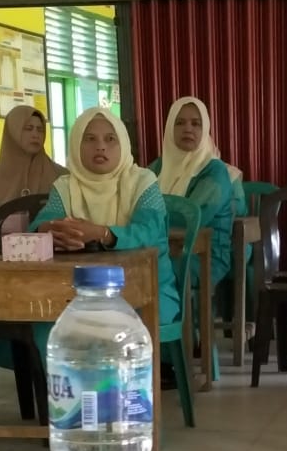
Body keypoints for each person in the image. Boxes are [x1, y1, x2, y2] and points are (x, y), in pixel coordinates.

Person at [32, 107, 181, 335]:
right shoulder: (65, 186)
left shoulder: (143, 181)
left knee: (111, 326)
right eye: (89, 139)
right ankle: (56, 372)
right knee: (44, 320)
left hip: (147, 290)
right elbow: (44, 222)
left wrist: (103, 234)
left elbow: (148, 231)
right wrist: (51, 231)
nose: (100, 146)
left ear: (123, 143)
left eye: (110, 139)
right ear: (75, 145)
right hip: (77, 291)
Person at [148, 96, 238, 289]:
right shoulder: (158, 167)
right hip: (162, 249)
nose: (188, 129)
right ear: (170, 128)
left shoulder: (214, 171)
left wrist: (147, 222)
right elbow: (136, 203)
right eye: (179, 123)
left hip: (204, 255)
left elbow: (191, 217)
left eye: (196, 124)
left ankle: (172, 320)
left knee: (148, 272)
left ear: (205, 129)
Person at [0, 104, 66, 232]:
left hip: (50, 247)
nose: (36, 135)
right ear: (13, 131)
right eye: (29, 129)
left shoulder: (61, 175)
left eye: (40, 130)